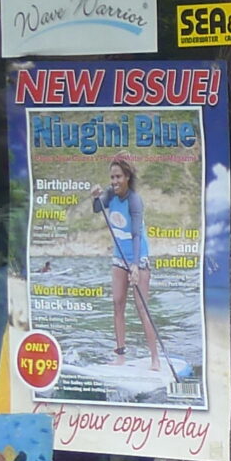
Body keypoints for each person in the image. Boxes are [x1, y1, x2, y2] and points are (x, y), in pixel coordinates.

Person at [90, 157, 162, 368]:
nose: (114, 181)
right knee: (117, 303)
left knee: (141, 308)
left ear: (127, 177)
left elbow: (137, 234)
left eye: (118, 177)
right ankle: (120, 355)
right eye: (112, 177)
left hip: (138, 256)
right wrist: (95, 196)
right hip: (119, 257)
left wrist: (136, 265)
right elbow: (97, 208)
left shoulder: (134, 200)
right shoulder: (110, 194)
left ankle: (155, 358)